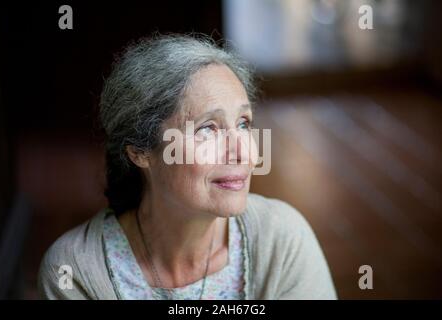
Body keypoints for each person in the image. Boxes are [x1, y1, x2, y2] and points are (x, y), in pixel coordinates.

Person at [37, 34, 337, 300]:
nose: (242, 153)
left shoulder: (283, 239)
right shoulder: (74, 270)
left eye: (244, 123)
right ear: (140, 152)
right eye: (208, 129)